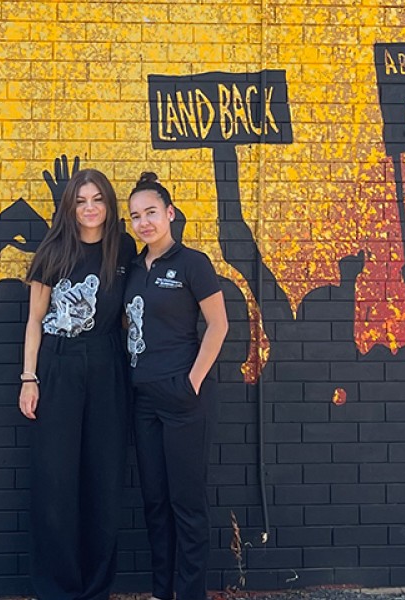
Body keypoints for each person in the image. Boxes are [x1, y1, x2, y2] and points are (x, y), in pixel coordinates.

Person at [17, 167, 134, 600]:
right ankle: (57, 588)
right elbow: (34, 320)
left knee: (104, 478)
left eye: (97, 199)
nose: (90, 208)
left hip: (107, 362)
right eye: (81, 200)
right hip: (59, 363)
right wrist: (29, 378)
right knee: (56, 479)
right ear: (70, 205)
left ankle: (96, 588)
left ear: (109, 204)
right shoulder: (53, 250)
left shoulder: (122, 248)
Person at [123, 172, 228, 600]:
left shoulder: (192, 263)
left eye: (151, 212)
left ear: (169, 213)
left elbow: (218, 325)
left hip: (182, 399)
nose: (144, 222)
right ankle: (161, 591)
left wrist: (192, 381)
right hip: (143, 398)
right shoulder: (132, 267)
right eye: (135, 216)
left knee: (187, 506)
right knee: (155, 503)